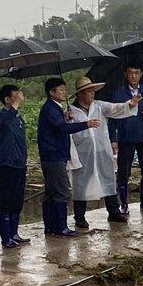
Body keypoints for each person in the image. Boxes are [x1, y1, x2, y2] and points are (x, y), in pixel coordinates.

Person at [70, 76, 142, 228]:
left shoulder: (99, 106)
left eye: (93, 91)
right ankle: (79, 217)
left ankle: (114, 211)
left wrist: (130, 104)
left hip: (101, 151)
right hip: (83, 153)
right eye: (89, 91)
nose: (92, 94)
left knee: (107, 178)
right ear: (80, 93)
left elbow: (116, 108)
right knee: (81, 184)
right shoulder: (71, 112)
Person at [38, 78, 100, 237]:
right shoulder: (51, 109)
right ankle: (60, 226)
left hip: (52, 154)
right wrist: (86, 124)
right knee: (61, 191)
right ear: (51, 93)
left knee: (51, 192)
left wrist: (64, 117)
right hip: (54, 154)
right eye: (60, 90)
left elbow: (58, 125)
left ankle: (51, 226)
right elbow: (62, 128)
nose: (64, 92)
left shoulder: (53, 109)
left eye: (65, 89)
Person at [109, 62, 143, 214]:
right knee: (124, 172)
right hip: (125, 137)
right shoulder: (119, 93)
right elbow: (112, 117)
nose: (134, 76)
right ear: (125, 74)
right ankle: (124, 204)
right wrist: (113, 138)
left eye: (137, 73)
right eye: (131, 73)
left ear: (141, 74)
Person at [0, 85, 30, 248]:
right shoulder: (2, 116)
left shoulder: (18, 117)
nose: (20, 97)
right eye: (16, 95)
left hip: (19, 164)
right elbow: (5, 125)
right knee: (5, 201)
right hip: (6, 164)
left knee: (17, 201)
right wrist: (14, 106)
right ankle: (6, 237)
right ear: (7, 99)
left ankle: (14, 232)